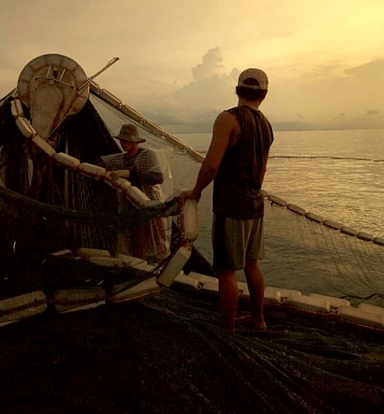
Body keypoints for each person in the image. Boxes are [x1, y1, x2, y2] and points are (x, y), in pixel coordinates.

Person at [181, 68, 273, 333]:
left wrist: (196, 191)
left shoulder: (228, 119)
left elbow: (211, 165)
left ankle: (227, 330)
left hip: (231, 207)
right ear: (264, 95)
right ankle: (259, 319)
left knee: (225, 271)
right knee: (252, 264)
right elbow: (262, 171)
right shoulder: (266, 125)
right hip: (255, 205)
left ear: (237, 90)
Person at [102, 123, 168, 261]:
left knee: (155, 242)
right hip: (130, 207)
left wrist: (129, 174)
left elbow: (157, 177)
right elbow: (101, 166)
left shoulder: (147, 155)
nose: (124, 143)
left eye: (127, 141)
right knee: (135, 242)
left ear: (135, 141)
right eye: (122, 140)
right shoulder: (119, 159)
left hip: (149, 205)